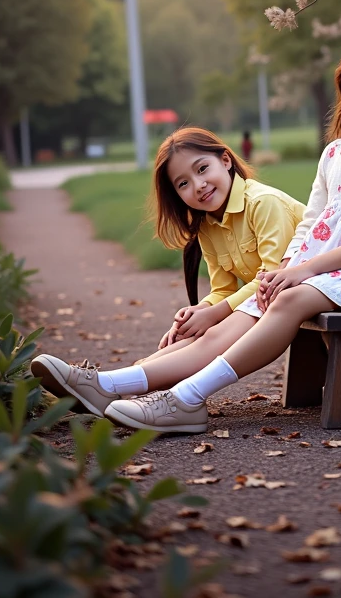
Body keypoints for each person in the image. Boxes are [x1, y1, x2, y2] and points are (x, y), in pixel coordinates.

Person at [35, 24, 341, 435]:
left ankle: (186, 398)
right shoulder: (335, 152)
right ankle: (110, 385)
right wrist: (285, 267)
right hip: (320, 273)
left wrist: (303, 270)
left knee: (285, 300)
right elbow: (312, 223)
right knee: (239, 317)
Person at [31, 127, 305, 424]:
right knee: (196, 334)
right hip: (274, 297)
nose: (198, 185)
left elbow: (270, 278)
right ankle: (108, 387)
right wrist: (198, 312)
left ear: (225, 160)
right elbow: (223, 290)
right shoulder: (207, 225)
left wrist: (213, 315)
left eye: (202, 169)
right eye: (183, 183)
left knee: (215, 328)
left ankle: (109, 385)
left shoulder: (263, 203)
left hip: (306, 288)